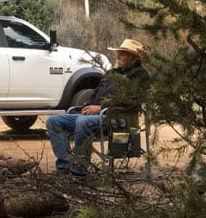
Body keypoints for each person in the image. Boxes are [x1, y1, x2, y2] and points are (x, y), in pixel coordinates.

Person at [46, 39, 150, 176]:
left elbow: (130, 101)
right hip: (97, 115)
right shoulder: (113, 73)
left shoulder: (140, 75)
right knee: (54, 121)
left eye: (123, 54)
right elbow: (96, 91)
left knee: (82, 122)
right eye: (119, 53)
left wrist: (101, 108)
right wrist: (87, 106)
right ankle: (65, 166)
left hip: (118, 118)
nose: (118, 57)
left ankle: (79, 170)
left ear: (134, 58)